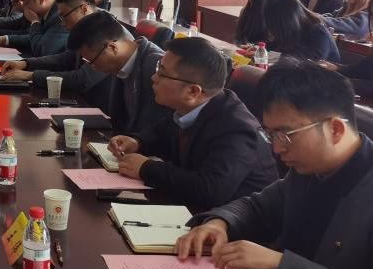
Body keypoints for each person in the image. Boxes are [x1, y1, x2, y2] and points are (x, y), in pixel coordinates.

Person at [176, 61, 373, 269]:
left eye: (286, 134)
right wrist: (219, 223)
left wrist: (280, 265)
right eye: (270, 134)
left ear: (335, 129)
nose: (276, 149)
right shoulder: (309, 169)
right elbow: (257, 207)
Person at [107, 38, 277, 210]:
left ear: (193, 91)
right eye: (158, 68)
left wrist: (146, 168)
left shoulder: (236, 129)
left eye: (162, 73)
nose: (153, 77)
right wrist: (137, 142)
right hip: (192, 208)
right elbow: (161, 134)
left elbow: (210, 190)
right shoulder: (193, 107)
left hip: (231, 220)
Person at [0, 0, 111, 108]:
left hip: (96, 108)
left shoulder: (106, 31)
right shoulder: (88, 26)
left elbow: (82, 80)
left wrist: (31, 75)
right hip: (80, 100)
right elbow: (67, 58)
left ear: (84, 9)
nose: (63, 24)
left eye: (65, 17)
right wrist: (26, 63)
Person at [66, 11, 172, 137]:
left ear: (112, 48)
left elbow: (164, 128)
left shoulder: (157, 70)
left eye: (92, 61)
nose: (92, 67)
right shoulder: (122, 64)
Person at [263, 0, 341, 63]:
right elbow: (273, 48)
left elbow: (312, 61)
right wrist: (262, 50)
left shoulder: (317, 32)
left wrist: (273, 56)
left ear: (285, 21)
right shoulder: (291, 31)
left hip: (320, 73)